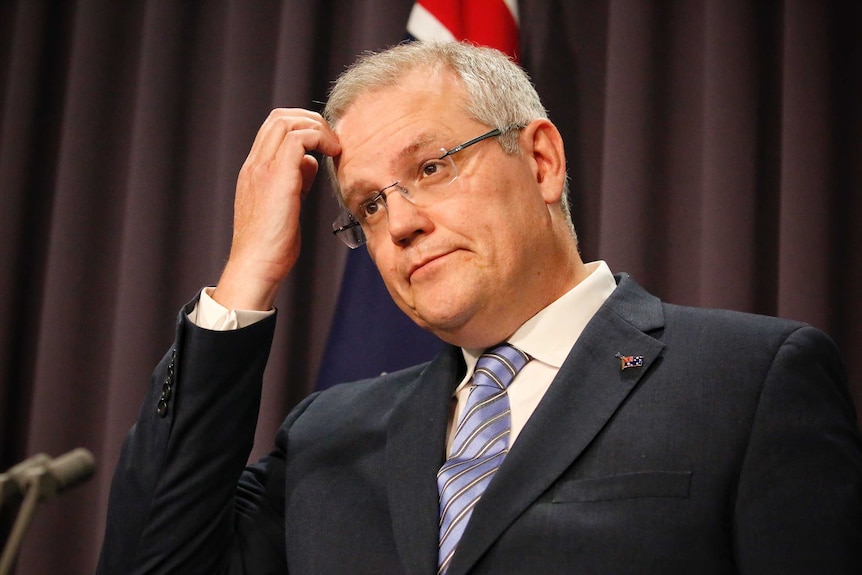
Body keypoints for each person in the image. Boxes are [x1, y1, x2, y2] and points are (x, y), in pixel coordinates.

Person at [97, 41, 862, 574]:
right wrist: (243, 282)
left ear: (540, 160)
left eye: (431, 166)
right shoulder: (328, 435)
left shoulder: (749, 381)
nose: (399, 223)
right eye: (366, 205)